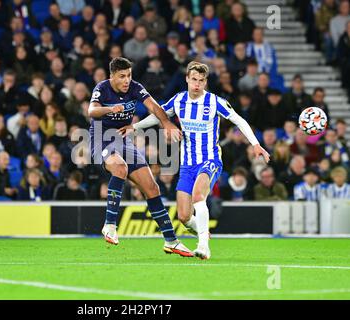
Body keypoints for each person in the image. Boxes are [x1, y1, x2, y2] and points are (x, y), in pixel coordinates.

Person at [129, 61, 270, 259]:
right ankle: (203, 231)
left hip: (210, 159)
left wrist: (255, 144)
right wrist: (134, 128)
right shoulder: (178, 100)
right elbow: (158, 116)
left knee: (198, 197)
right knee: (184, 217)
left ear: (205, 82)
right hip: (187, 164)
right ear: (187, 79)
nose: (197, 84)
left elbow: (239, 120)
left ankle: (203, 245)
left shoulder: (214, 102)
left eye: (201, 81)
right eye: (193, 79)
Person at [89, 57, 192, 257]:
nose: (126, 80)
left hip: (124, 140)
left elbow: (154, 107)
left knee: (152, 188)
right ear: (112, 76)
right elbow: (91, 111)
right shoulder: (102, 88)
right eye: (122, 76)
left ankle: (171, 240)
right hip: (101, 138)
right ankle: (110, 224)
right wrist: (110, 109)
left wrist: (167, 124)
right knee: (120, 168)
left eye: (129, 75)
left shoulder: (135, 87)